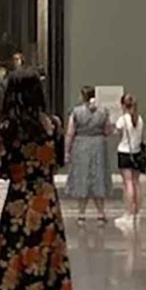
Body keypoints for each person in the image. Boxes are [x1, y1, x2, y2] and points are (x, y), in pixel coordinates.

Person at [0, 68, 76, 290]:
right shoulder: (53, 124)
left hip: (20, 204)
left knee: (27, 270)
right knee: (55, 268)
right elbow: (58, 161)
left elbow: (1, 167)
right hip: (48, 202)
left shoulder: (9, 128)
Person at [65, 86, 113, 224]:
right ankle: (100, 213)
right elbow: (108, 130)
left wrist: (67, 151)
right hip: (98, 146)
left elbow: (70, 133)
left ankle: (81, 214)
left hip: (80, 146)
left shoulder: (76, 112)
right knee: (99, 178)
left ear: (82, 97)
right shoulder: (103, 111)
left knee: (82, 178)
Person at [114, 93, 146, 230]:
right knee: (136, 183)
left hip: (125, 152)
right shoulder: (139, 119)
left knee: (128, 184)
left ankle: (129, 214)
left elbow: (117, 133)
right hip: (137, 153)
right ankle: (137, 213)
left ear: (123, 105)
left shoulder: (122, 120)